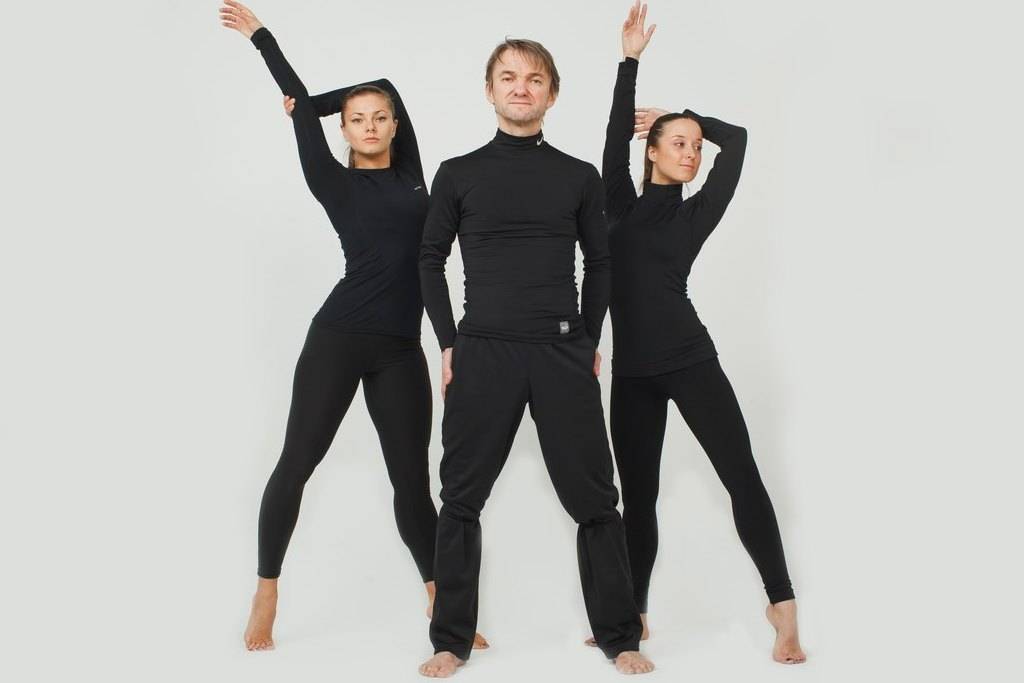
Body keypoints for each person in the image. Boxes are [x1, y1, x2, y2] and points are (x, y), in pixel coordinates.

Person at [219, 1, 487, 652]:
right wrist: (266, 44)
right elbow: (302, 107)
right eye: (357, 119)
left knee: (412, 481)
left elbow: (386, 83)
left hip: (399, 348)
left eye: (378, 117)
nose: (369, 124)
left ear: (394, 125)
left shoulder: (413, 175)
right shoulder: (330, 179)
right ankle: (266, 590)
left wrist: (320, 103)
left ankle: (442, 604)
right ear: (343, 130)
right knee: (296, 463)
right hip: (338, 339)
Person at [416, 35, 654, 677]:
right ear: (489, 90)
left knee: (596, 497)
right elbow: (430, 258)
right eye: (509, 77)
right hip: (483, 350)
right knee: (460, 497)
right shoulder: (457, 173)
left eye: (534, 79)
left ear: (551, 94)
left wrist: (589, 338)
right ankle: (450, 640)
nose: (521, 88)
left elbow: (599, 263)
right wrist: (447, 341)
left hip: (560, 350)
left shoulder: (577, 176)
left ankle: (619, 635)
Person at [597, 1, 806, 664]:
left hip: (690, 360)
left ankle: (783, 610)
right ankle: (634, 615)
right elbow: (613, 137)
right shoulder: (617, 204)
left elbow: (735, 139)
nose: (691, 153)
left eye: (693, 146)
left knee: (742, 476)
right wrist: (630, 64)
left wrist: (680, 115)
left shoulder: (696, 213)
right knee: (640, 499)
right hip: (633, 372)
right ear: (652, 151)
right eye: (678, 144)